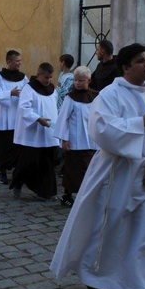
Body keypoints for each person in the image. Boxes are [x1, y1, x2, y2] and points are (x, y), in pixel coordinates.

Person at [50, 43, 145, 289]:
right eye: (140, 61)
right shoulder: (110, 94)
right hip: (117, 174)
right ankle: (95, 275)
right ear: (125, 67)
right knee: (108, 232)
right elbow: (101, 129)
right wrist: (140, 122)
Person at [9, 62, 59, 200]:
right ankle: (18, 183)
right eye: (45, 77)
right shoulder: (29, 89)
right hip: (32, 134)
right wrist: (37, 119)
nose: (48, 80)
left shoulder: (52, 90)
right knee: (28, 163)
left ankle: (46, 192)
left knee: (47, 164)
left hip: (48, 134)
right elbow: (24, 108)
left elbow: (54, 107)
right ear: (38, 75)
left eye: (50, 77)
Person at [52, 66, 98, 207]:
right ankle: (68, 194)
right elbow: (62, 119)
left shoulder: (96, 96)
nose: (77, 83)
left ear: (89, 80)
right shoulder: (70, 98)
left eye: (81, 80)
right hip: (75, 141)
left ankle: (86, 195)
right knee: (73, 170)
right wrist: (64, 139)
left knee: (90, 168)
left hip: (91, 140)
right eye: (76, 80)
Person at [0, 50, 28, 185]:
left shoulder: (23, 78)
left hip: (17, 117)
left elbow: (28, 92)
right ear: (8, 62)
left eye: (20, 60)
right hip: (4, 117)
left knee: (16, 147)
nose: (19, 63)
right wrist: (9, 93)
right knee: (3, 146)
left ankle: (15, 171)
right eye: (17, 61)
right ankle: (2, 172)